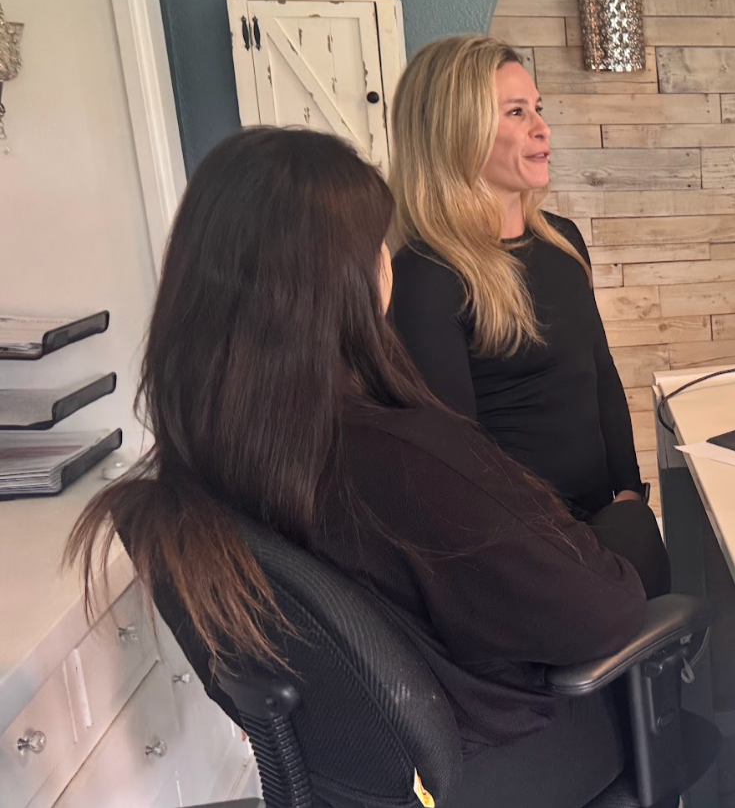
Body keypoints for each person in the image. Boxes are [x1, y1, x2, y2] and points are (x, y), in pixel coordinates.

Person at [67, 128, 667, 807]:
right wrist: (622, 524)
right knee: (635, 539)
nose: (388, 259)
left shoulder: (209, 451)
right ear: (342, 282)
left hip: (387, 774)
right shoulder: (395, 458)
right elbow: (596, 616)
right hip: (507, 760)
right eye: (376, 244)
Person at [388, 35, 646, 519]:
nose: (543, 129)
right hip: (523, 545)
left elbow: (600, 375)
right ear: (456, 130)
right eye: (516, 113)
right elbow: (458, 464)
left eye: (537, 108)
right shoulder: (427, 276)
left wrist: (629, 492)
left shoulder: (562, 242)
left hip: (602, 522)